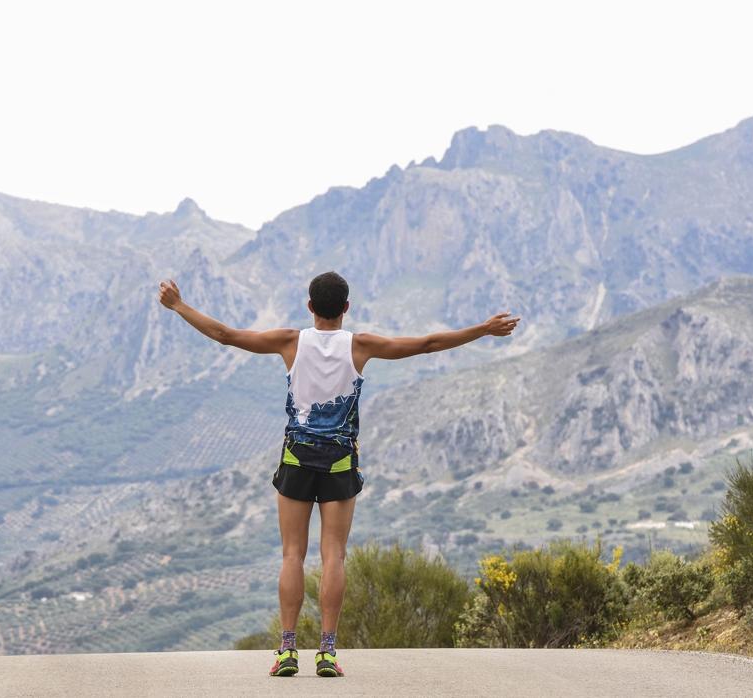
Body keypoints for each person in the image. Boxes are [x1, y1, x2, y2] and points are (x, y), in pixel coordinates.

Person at [158, 271, 519, 678]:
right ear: (346, 307)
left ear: (310, 307)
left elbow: (224, 334)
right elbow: (428, 344)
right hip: (341, 463)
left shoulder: (290, 341)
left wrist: (178, 306)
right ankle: (327, 651)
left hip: (296, 459)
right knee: (334, 554)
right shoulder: (360, 346)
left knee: (292, 553)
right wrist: (484, 330)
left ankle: (288, 649)